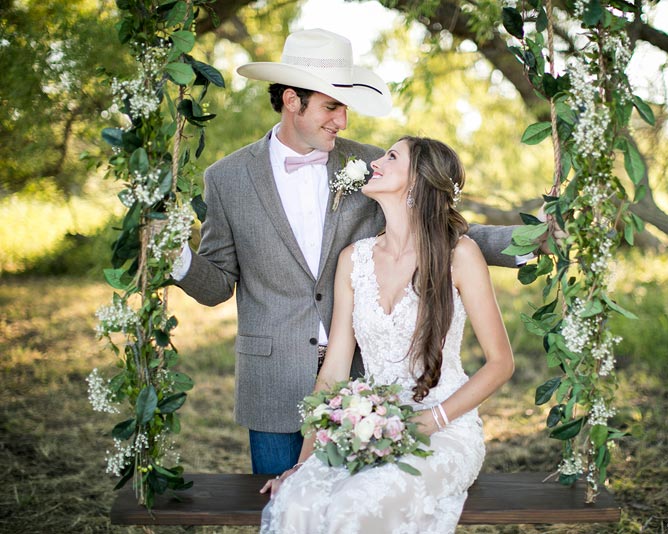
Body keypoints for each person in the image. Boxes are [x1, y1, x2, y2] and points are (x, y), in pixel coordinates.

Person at [173, 28, 519, 476]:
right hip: (272, 381)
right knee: (285, 509)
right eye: (331, 106)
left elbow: (437, 229)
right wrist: (177, 259)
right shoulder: (227, 179)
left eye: (345, 107)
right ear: (292, 101)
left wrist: (531, 244)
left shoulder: (373, 164)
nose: (342, 121)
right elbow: (218, 281)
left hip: (364, 388)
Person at [260, 136, 515, 533]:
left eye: (391, 157)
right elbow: (333, 374)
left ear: (417, 182)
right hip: (366, 427)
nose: (375, 162)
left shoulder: (459, 255)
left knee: (357, 505)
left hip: (444, 431)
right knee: (299, 500)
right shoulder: (354, 260)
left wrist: (433, 419)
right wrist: (302, 462)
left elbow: (501, 363)